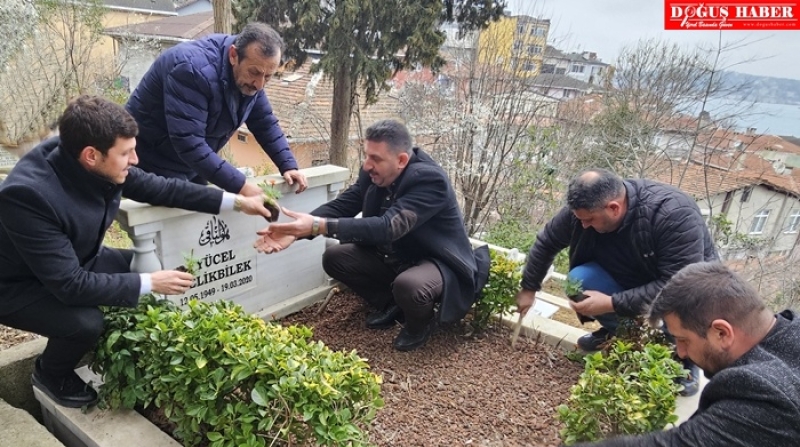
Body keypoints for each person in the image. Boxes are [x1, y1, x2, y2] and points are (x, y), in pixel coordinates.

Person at [0, 95, 272, 408]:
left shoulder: (87, 158)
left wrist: (236, 202)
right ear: (91, 156)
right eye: (126, 153)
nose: (135, 159)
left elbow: (161, 188)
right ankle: (50, 374)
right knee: (86, 324)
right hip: (17, 287)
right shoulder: (28, 197)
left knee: (148, 266)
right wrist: (151, 282)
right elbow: (70, 285)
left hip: (73, 258)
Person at [510, 262, 800, 447]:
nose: (681, 353)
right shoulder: (782, 335)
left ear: (722, 332)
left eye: (683, 340)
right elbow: (710, 440)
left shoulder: (770, 394)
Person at [255, 120, 490, 351]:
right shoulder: (374, 172)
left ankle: (420, 324)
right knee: (335, 257)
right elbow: (344, 205)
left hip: (436, 262)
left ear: (401, 160)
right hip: (398, 256)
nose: (367, 165)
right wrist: (296, 231)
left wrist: (317, 226)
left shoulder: (429, 180)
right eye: (367, 155)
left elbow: (388, 227)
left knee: (410, 285)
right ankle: (393, 305)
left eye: (375, 158)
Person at [516, 168, 717, 394]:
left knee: (683, 304)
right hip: (630, 275)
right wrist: (529, 288)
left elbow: (679, 287)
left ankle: (684, 357)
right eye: (580, 219)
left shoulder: (672, 214)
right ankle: (619, 334)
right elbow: (547, 242)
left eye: (589, 220)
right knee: (579, 281)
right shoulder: (585, 208)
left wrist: (612, 303)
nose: (583, 225)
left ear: (614, 208)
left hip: (685, 289)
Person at [125, 22, 307, 198]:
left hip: (189, 164)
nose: (259, 85)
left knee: (203, 214)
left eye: (268, 77)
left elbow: (264, 123)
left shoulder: (249, 78)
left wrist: (288, 165)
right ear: (233, 55)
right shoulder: (191, 70)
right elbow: (189, 142)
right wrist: (241, 186)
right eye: (255, 73)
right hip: (148, 161)